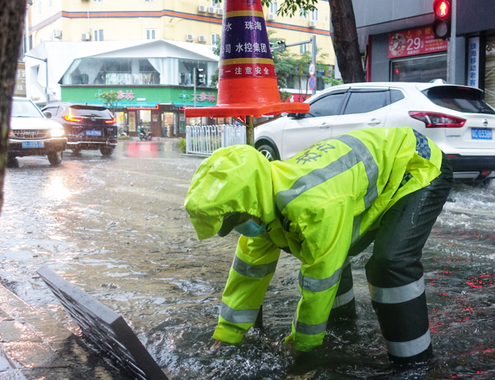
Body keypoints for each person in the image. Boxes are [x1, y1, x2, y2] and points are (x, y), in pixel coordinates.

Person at [184, 127, 453, 364]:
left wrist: (301, 345)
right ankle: (342, 329)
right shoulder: (264, 196)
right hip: (377, 171)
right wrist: (227, 335)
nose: (238, 229)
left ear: (248, 203)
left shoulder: (312, 206)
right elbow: (247, 275)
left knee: (390, 264)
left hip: (417, 165)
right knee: (327, 247)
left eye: (236, 221)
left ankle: (414, 362)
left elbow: (321, 276)